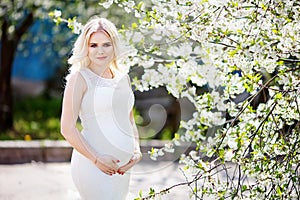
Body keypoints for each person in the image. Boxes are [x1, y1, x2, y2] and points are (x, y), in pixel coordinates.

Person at [60, 16, 142, 200]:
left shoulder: (123, 76)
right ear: (85, 47)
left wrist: (136, 151)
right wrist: (97, 159)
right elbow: (67, 129)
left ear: (114, 45)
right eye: (93, 45)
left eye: (106, 44)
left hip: (122, 170)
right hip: (92, 167)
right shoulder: (79, 78)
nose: (100, 51)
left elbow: (128, 118)